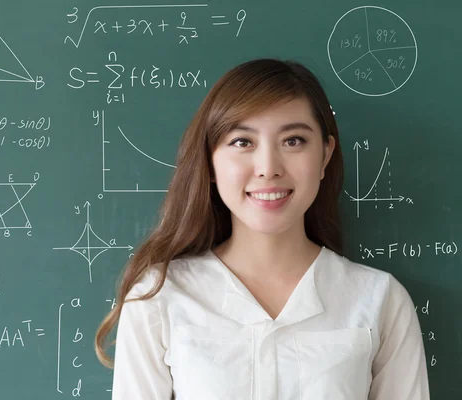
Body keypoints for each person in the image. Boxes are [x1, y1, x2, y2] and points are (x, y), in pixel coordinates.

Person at [95, 59, 430, 399]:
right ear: (210, 161)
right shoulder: (159, 297)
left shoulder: (380, 300)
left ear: (325, 156)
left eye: (294, 141)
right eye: (242, 142)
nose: (268, 168)